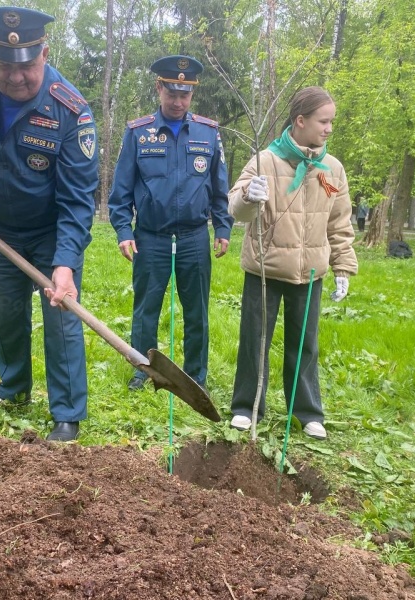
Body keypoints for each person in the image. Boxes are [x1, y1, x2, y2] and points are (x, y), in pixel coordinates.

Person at [0, 6, 98, 442]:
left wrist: (65, 263)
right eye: (5, 66)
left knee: (61, 318)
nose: (17, 77)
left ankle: (66, 413)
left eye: (27, 66)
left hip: (51, 231)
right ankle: (13, 391)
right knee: (8, 313)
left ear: (44, 52)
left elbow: (79, 199)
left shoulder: (71, 110)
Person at [227, 86, 358, 440]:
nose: (329, 128)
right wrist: (247, 197)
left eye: (331, 121)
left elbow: (340, 222)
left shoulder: (331, 168)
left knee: (305, 342)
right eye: (323, 121)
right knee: (255, 338)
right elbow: (236, 209)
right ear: (300, 121)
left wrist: (343, 267)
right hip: (265, 268)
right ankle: (246, 406)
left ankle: (306, 411)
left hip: (310, 271)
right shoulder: (264, 160)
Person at [108, 55, 233, 392]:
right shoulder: (138, 133)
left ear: (192, 94)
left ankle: (196, 376)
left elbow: (219, 186)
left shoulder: (208, 133)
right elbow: (120, 190)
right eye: (172, 94)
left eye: (185, 95)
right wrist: (123, 231)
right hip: (151, 238)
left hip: (194, 237)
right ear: (159, 88)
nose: (178, 102)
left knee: (197, 312)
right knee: (146, 308)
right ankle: (143, 371)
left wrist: (222, 227)